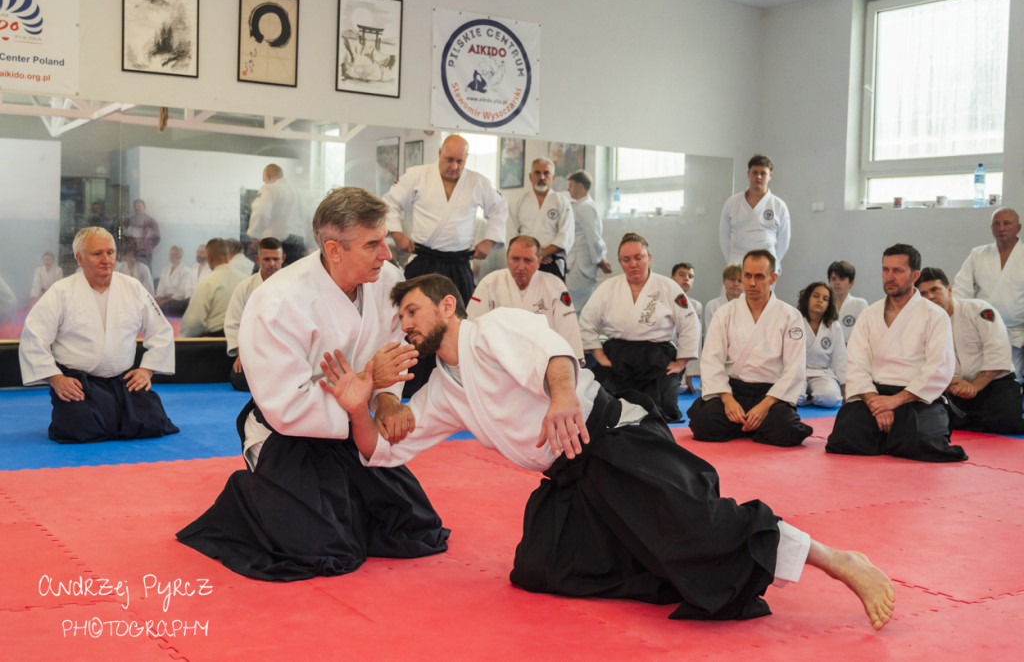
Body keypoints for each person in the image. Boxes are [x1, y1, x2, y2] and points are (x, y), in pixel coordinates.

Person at [318, 274, 896, 629]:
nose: (405, 325)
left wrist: (562, 395)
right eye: (399, 319)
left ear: (447, 308)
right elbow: (383, 452)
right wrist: (357, 407)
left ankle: (836, 560)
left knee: (702, 531)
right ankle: (661, 559)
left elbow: (553, 353)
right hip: (571, 478)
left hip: (615, 439)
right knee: (538, 570)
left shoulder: (491, 330)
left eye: (412, 311)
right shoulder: (445, 389)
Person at [176, 187, 449, 582]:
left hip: (351, 425)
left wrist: (387, 401)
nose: (387, 254)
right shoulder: (278, 302)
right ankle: (246, 495)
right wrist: (367, 378)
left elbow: (392, 351)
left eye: (385, 240)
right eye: (373, 244)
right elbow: (286, 406)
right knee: (325, 552)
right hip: (290, 433)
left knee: (414, 528)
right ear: (334, 250)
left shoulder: (387, 279)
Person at [18, 227, 178, 443]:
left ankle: (111, 417)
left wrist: (147, 370)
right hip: (78, 382)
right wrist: (56, 379)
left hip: (123, 380)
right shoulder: (61, 291)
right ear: (80, 258)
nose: (106, 260)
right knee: (79, 427)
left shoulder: (132, 287)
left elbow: (161, 330)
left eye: (110, 253)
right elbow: (33, 336)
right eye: (97, 254)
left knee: (153, 422)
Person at [826, 244, 965, 462]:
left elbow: (939, 368)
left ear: (914, 275)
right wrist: (877, 403)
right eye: (885, 270)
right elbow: (856, 364)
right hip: (874, 395)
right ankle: (892, 438)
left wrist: (895, 401)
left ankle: (889, 438)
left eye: (898, 271)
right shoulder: (869, 314)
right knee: (843, 437)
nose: (890, 277)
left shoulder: (935, 315)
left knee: (924, 440)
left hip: (917, 397)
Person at [688, 250, 812, 446]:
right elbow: (712, 360)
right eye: (747, 276)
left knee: (786, 429)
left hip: (770, 394)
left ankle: (749, 425)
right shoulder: (725, 313)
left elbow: (795, 368)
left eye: (759, 277)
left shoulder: (790, 315)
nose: (752, 283)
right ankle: (752, 426)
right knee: (704, 424)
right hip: (733, 390)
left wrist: (765, 406)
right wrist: (728, 400)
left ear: (773, 278)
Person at [579, 233, 699, 421]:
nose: (633, 264)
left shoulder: (668, 286)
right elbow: (587, 321)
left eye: (638, 257)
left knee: (664, 408)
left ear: (649, 258)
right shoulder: (608, 288)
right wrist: (599, 355)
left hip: (657, 356)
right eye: (626, 260)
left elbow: (690, 323)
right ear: (620, 262)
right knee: (601, 404)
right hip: (618, 356)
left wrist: (681, 362)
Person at [383, 134, 507, 305]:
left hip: (459, 263)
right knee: (415, 310)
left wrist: (490, 241)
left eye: (459, 161)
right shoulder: (417, 175)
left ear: (466, 158)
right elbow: (390, 203)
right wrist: (397, 234)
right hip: (424, 260)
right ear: (440, 152)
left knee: (459, 315)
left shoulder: (477, 181)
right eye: (449, 159)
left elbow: (499, 208)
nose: (454, 166)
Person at [917, 267, 1024, 434]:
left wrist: (974, 385)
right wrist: (951, 383)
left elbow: (998, 351)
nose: (930, 296)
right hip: (954, 388)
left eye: (935, 289)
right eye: (923, 294)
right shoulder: (923, 326)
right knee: (936, 422)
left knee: (1009, 423)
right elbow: (924, 363)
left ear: (949, 290)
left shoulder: (978, 309)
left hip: (993, 384)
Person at [467, 235, 584, 363]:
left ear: (539, 262)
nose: (521, 266)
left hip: (543, 361)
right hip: (498, 361)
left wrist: (571, 363)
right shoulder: (489, 283)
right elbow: (472, 326)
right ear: (507, 257)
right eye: (515, 259)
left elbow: (568, 330)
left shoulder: (555, 285)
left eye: (528, 260)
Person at [953, 208, 1024, 380]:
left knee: (1015, 379)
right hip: (983, 329)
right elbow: (961, 290)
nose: (1001, 228)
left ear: (1018, 228)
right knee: (983, 377)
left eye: (1007, 223)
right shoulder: (978, 254)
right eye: (996, 223)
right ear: (991, 228)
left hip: (1017, 332)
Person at [224, 238, 285, 391]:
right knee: (239, 380)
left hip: (284, 351)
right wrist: (242, 355)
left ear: (282, 259)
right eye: (267, 259)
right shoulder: (245, 287)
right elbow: (233, 323)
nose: (272, 263)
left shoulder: (294, 286)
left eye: (276, 259)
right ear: (258, 259)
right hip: (254, 352)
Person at [508, 157, 575, 280]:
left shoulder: (562, 202)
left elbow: (566, 236)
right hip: (524, 263)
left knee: (554, 298)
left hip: (551, 262)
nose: (542, 177)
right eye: (537, 173)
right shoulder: (518, 202)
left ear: (553, 177)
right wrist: (532, 255)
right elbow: (511, 235)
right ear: (530, 177)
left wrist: (542, 253)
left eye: (546, 173)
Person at [719, 155, 790, 269]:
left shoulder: (778, 205)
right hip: (737, 260)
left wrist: (773, 263)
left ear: (770, 176)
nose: (758, 176)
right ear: (748, 174)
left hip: (766, 261)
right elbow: (723, 237)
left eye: (763, 173)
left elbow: (784, 241)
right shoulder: (732, 202)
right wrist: (731, 261)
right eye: (755, 172)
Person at [179, 238, 248, 337]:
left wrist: (182, 341)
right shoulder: (245, 279)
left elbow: (193, 321)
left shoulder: (208, 282)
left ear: (210, 257)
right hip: (241, 339)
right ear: (228, 256)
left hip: (216, 342)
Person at [565, 170, 611, 311]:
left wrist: (601, 260)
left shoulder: (585, 208)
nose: (568, 189)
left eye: (571, 185)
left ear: (579, 186)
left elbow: (593, 237)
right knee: (573, 305)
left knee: (577, 307)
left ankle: (578, 333)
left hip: (582, 264)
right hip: (577, 262)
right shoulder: (579, 206)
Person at [796, 282, 846, 408]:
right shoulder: (795, 321)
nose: (820, 301)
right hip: (797, 371)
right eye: (816, 296)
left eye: (825, 299)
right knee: (793, 398)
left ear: (829, 304)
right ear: (807, 298)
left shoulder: (834, 327)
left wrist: (844, 387)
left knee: (832, 399)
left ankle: (810, 396)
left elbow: (840, 359)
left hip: (822, 373)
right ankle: (804, 395)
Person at [247, 163, 306, 266]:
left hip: (277, 244)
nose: (264, 182)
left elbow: (261, 213)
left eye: (264, 179)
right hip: (298, 244)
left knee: (265, 278)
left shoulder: (269, 188)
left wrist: (255, 236)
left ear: (268, 176)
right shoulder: (299, 192)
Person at [671, 262, 703, 394]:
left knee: (682, 388)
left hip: (684, 361)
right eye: (682, 275)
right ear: (672, 278)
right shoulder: (662, 301)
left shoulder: (696, 306)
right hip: (665, 357)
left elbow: (696, 341)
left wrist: (691, 373)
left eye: (690, 276)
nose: (686, 279)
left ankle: (686, 378)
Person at [828, 260, 869, 343]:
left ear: (851, 283)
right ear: (829, 282)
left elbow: (865, 335)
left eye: (842, 279)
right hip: (828, 353)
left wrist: (843, 348)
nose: (837, 283)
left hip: (853, 353)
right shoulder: (825, 306)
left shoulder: (859, 304)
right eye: (833, 279)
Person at [155, 245, 194, 316]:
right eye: (170, 254)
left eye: (174, 254)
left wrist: (164, 301)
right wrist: (158, 298)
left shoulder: (186, 271)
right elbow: (161, 287)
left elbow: (182, 292)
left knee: (165, 307)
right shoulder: (165, 270)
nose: (171, 256)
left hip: (177, 300)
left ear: (180, 256)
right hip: (165, 298)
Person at [122, 199, 161, 266]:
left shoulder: (151, 221)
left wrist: (148, 246)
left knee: (146, 271)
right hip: (132, 253)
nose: (137, 208)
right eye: (135, 206)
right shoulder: (129, 221)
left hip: (145, 253)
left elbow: (157, 237)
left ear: (144, 207)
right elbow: (126, 237)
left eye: (139, 206)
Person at [704, 264, 743, 328]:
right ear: (724, 281)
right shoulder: (712, 306)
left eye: (740, 281)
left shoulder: (750, 307)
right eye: (732, 279)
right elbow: (709, 334)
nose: (736, 284)